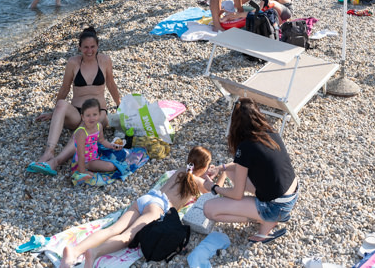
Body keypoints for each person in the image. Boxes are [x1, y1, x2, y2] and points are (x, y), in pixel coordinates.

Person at [61, 146, 214, 267]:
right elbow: (214, 190)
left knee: (113, 229)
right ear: (204, 167)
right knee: (127, 237)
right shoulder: (197, 181)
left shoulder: (181, 171)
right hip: (157, 207)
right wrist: (222, 174)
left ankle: (75, 251)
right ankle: (93, 253)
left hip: (146, 198)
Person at [203, 98, 298, 244]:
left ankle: (266, 220)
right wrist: (220, 168)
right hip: (290, 193)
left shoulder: (245, 147)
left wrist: (214, 188)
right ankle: (271, 216)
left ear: (236, 124)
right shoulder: (269, 132)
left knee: (209, 210)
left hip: (276, 206)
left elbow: (236, 194)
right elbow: (240, 165)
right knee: (231, 171)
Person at [27, 27, 121, 174]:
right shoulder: (73, 63)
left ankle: (56, 162)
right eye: (85, 47)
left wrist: (120, 105)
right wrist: (54, 113)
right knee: (61, 104)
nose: (89, 51)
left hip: (98, 113)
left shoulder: (104, 60)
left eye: (93, 47)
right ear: (79, 47)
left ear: (97, 46)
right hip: (77, 113)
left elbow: (111, 84)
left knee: (83, 128)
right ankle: (49, 152)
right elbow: (64, 88)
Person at [66, 98, 123, 185]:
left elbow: (102, 140)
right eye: (88, 115)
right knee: (111, 167)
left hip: (94, 155)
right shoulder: (81, 132)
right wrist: (83, 171)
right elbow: (81, 154)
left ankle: (95, 164)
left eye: (94, 114)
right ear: (83, 117)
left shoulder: (99, 126)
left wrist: (112, 146)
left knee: (121, 154)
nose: (91, 118)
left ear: (99, 115)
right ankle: (86, 167)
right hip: (85, 161)